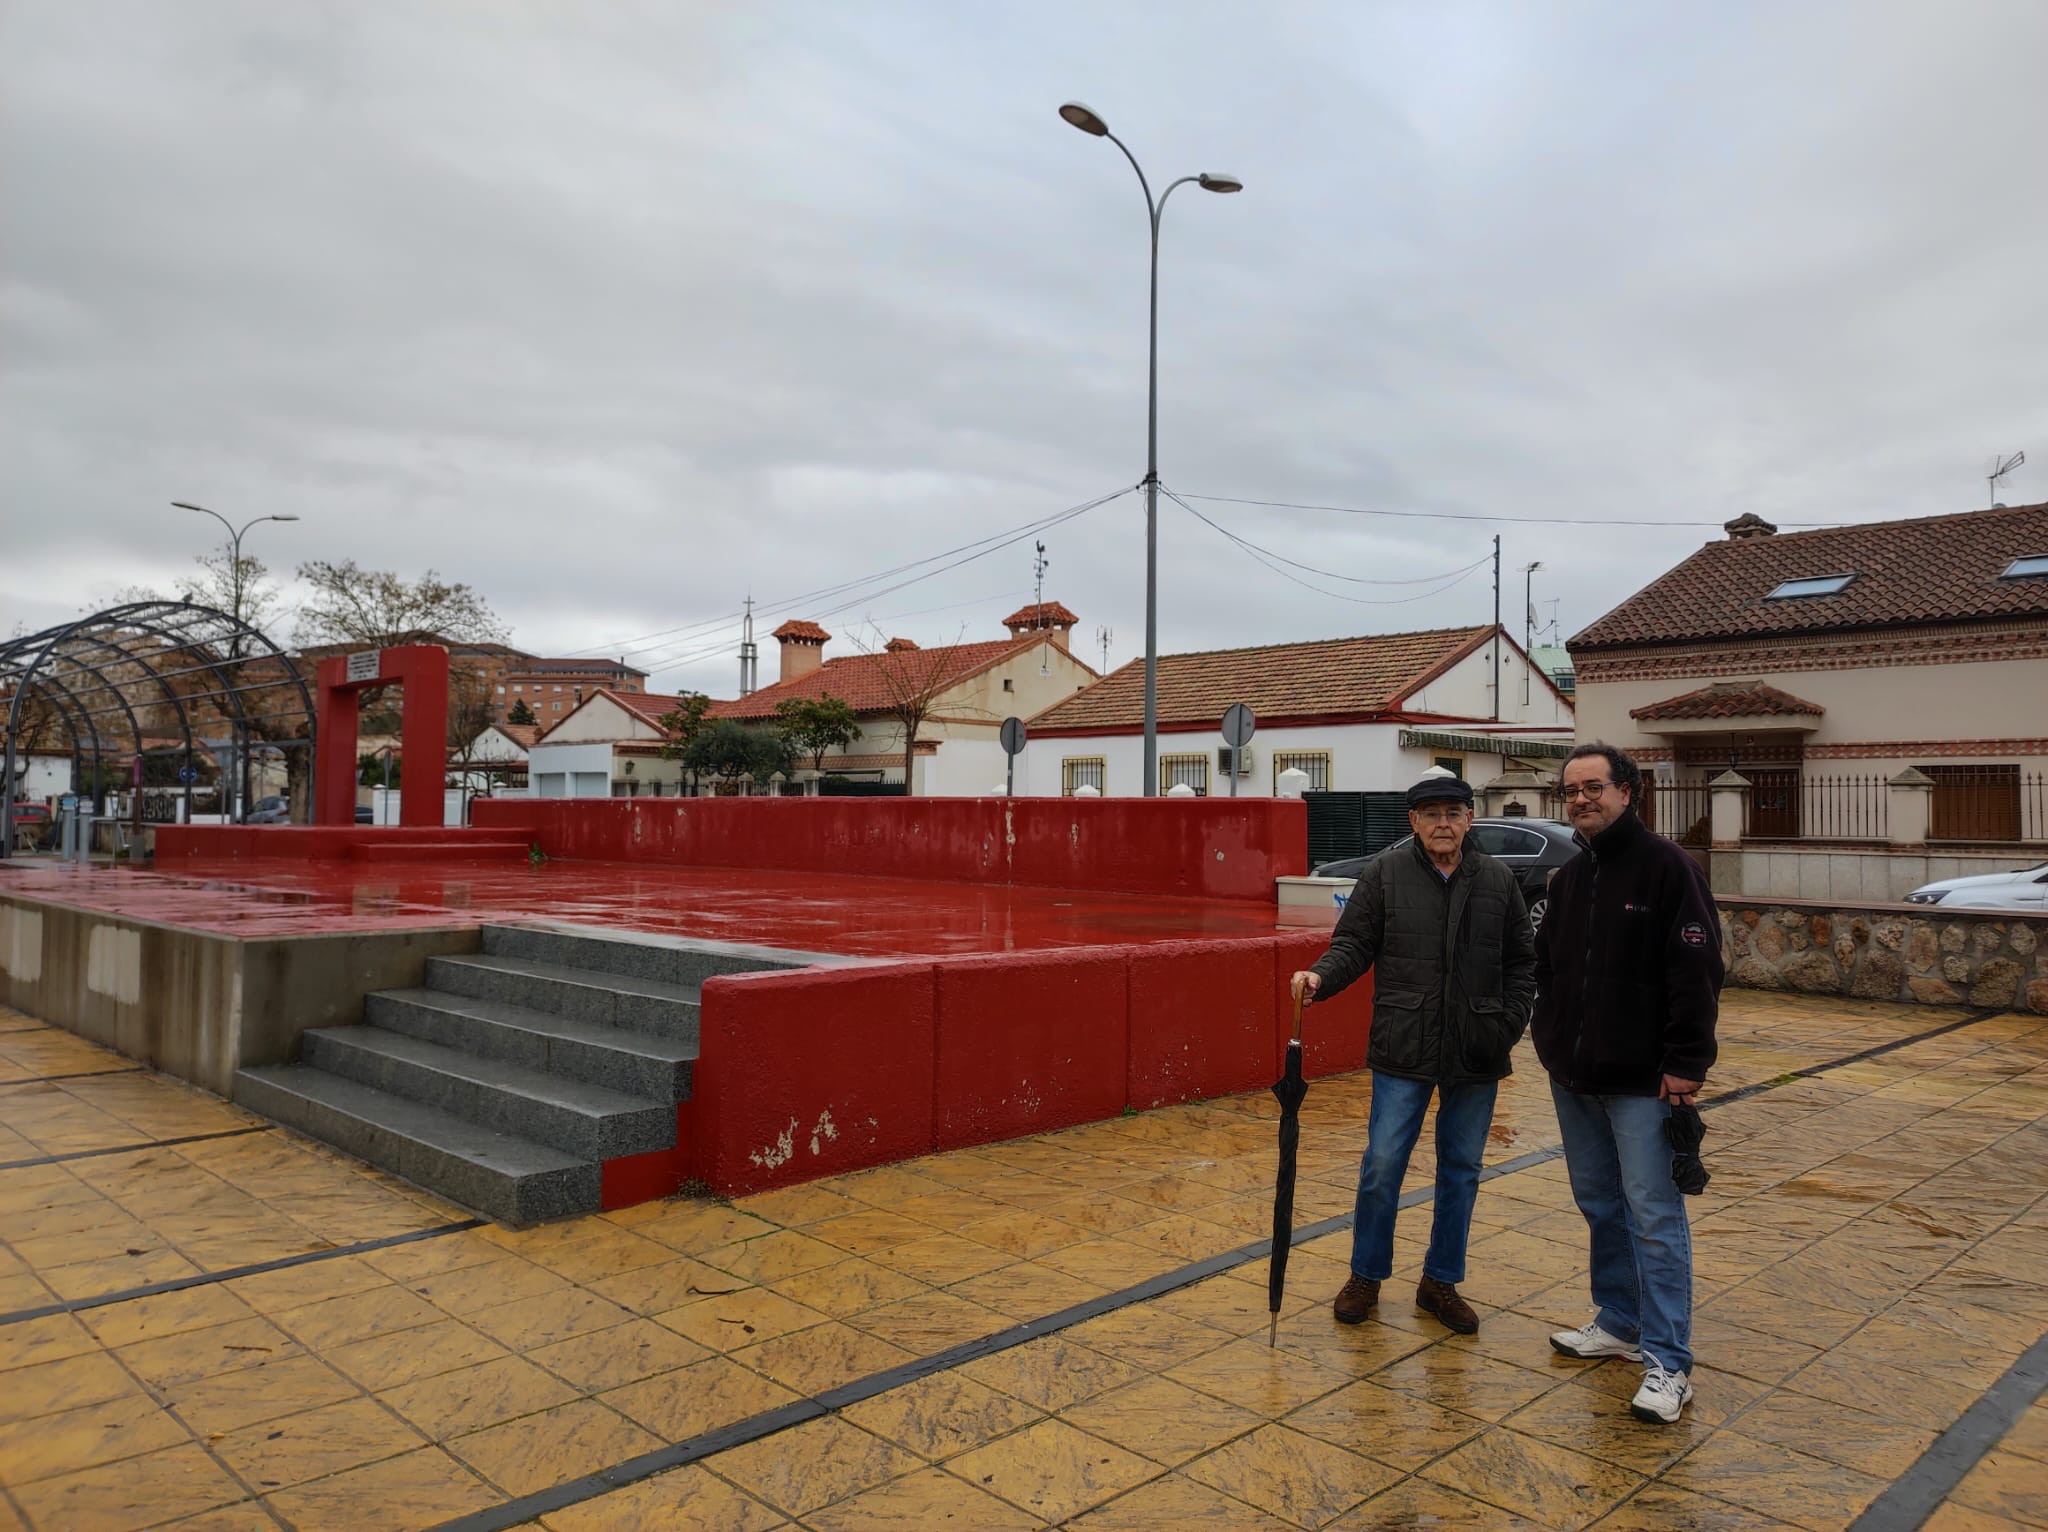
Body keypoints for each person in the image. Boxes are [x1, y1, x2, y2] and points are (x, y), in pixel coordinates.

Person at [1290, 773, 1536, 1335]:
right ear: (1414, 822)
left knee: (1462, 1171)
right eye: (1431, 815)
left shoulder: (1497, 879)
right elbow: (1353, 944)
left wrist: (1507, 1024)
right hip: (1404, 1042)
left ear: (1470, 818)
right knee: (1382, 1167)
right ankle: (1366, 1275)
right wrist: (1322, 978)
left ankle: (1440, 1282)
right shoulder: (1385, 875)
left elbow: (1523, 963)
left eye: (1453, 812)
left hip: (1477, 1048)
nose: (1443, 823)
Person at [1534, 741, 1723, 1424]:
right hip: (1575, 1075)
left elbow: (1695, 976)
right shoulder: (1570, 876)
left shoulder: (1670, 869)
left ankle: (1669, 1363)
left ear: (1627, 791)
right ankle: (1620, 1319)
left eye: (1594, 787)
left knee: (1654, 1215)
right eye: (1571, 790)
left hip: (1646, 1079)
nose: (1581, 798)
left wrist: (1685, 1065)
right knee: (1599, 1204)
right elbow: (1548, 965)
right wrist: (1548, 1035)